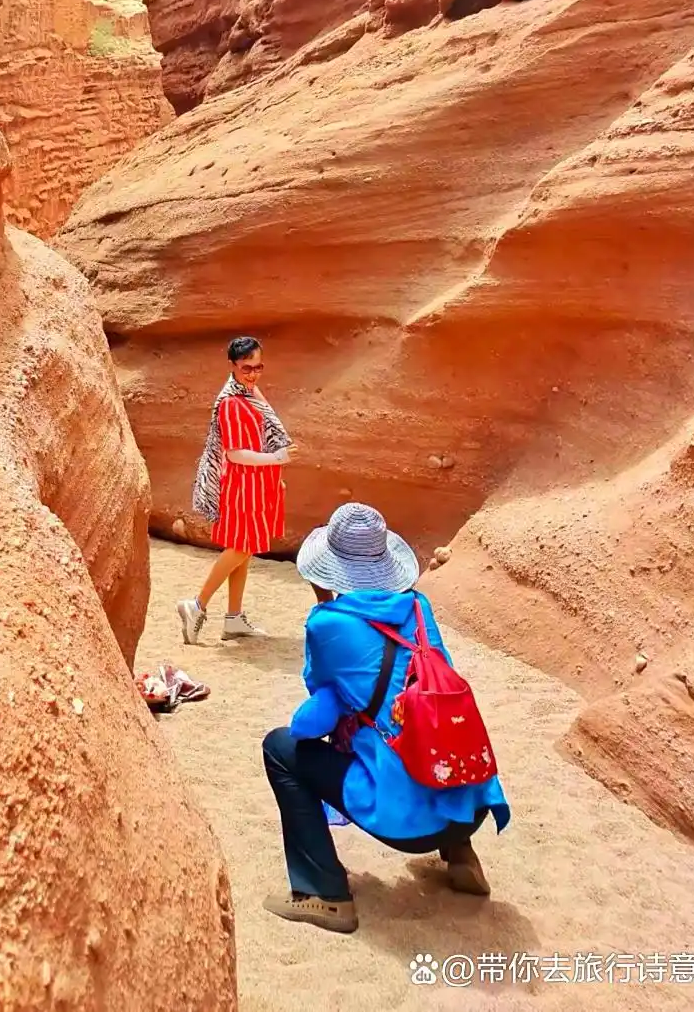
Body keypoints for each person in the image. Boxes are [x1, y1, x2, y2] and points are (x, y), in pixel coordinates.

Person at [261, 502, 510, 934]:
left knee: (280, 747)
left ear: (327, 570)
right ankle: (460, 854)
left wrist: (323, 606)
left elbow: (314, 719)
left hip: (407, 826)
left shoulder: (328, 625)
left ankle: (325, 893)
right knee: (425, 719)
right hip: (471, 803)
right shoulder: (418, 608)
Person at [177, 336, 292, 644]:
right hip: (242, 484)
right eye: (246, 368)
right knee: (240, 547)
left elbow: (267, 429)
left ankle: (234, 619)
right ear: (232, 366)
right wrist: (275, 459)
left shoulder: (250, 392)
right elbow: (234, 452)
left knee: (245, 550)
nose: (253, 374)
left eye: (258, 367)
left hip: (257, 481)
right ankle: (197, 605)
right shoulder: (231, 402)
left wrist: (274, 467)